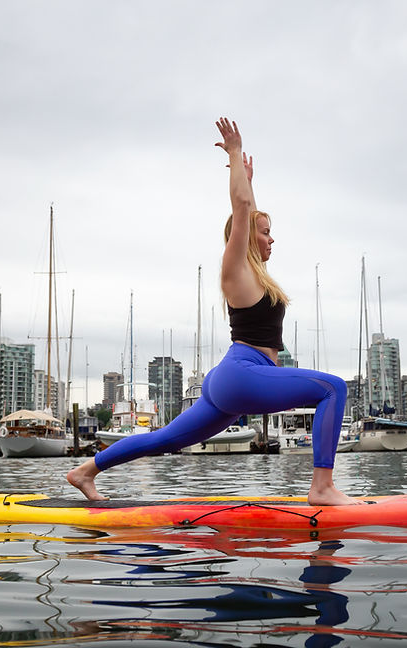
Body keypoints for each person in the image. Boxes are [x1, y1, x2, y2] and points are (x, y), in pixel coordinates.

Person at [67, 117, 356, 506]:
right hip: (242, 374)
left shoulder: (256, 275)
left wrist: (249, 179)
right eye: (266, 231)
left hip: (238, 380)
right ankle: (322, 488)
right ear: (245, 235)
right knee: (333, 388)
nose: (272, 238)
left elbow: (247, 207)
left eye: (272, 231)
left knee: (165, 439)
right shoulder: (234, 268)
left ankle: (85, 472)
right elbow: (242, 210)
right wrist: (235, 155)